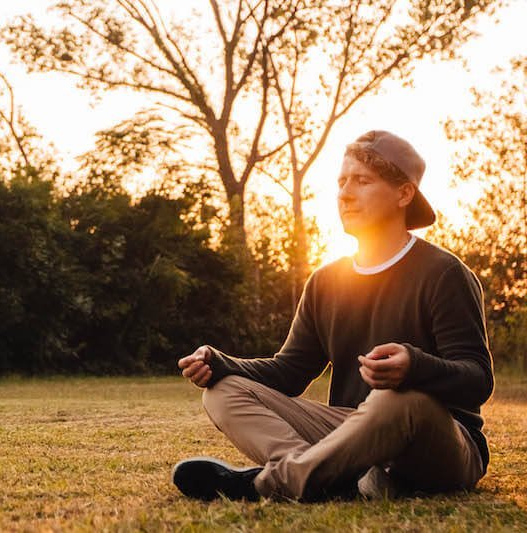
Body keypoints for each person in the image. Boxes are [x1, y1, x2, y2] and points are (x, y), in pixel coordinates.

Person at [173, 130, 493, 502]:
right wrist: (222, 364)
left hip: (440, 441)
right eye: (341, 181)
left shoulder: (444, 273)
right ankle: (328, 475)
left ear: (404, 194)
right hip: (350, 431)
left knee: (395, 399)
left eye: (361, 181)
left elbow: (478, 379)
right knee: (223, 392)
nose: (345, 193)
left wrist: (415, 367)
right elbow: (289, 373)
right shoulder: (326, 282)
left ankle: (273, 482)